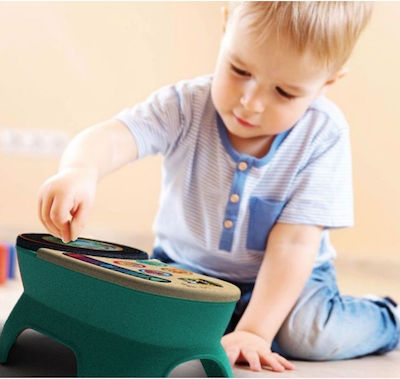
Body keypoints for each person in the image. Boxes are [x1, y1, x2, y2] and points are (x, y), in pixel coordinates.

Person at [38, 1, 399, 373]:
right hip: (187, 269)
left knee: (305, 335)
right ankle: (230, 323)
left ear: (327, 83)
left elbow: (295, 243)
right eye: (240, 70)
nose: (251, 102)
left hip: (288, 279)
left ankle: (388, 318)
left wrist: (256, 332)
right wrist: (80, 170)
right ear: (226, 27)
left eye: (284, 93)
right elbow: (116, 137)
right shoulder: (185, 105)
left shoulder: (322, 134)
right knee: (141, 321)